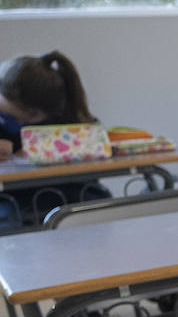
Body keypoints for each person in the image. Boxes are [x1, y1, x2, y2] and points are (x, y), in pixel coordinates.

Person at [0, 51, 106, 227]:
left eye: (27, 118)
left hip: (69, 195)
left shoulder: (70, 121)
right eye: (9, 116)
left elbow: (92, 154)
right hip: (14, 202)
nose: (19, 123)